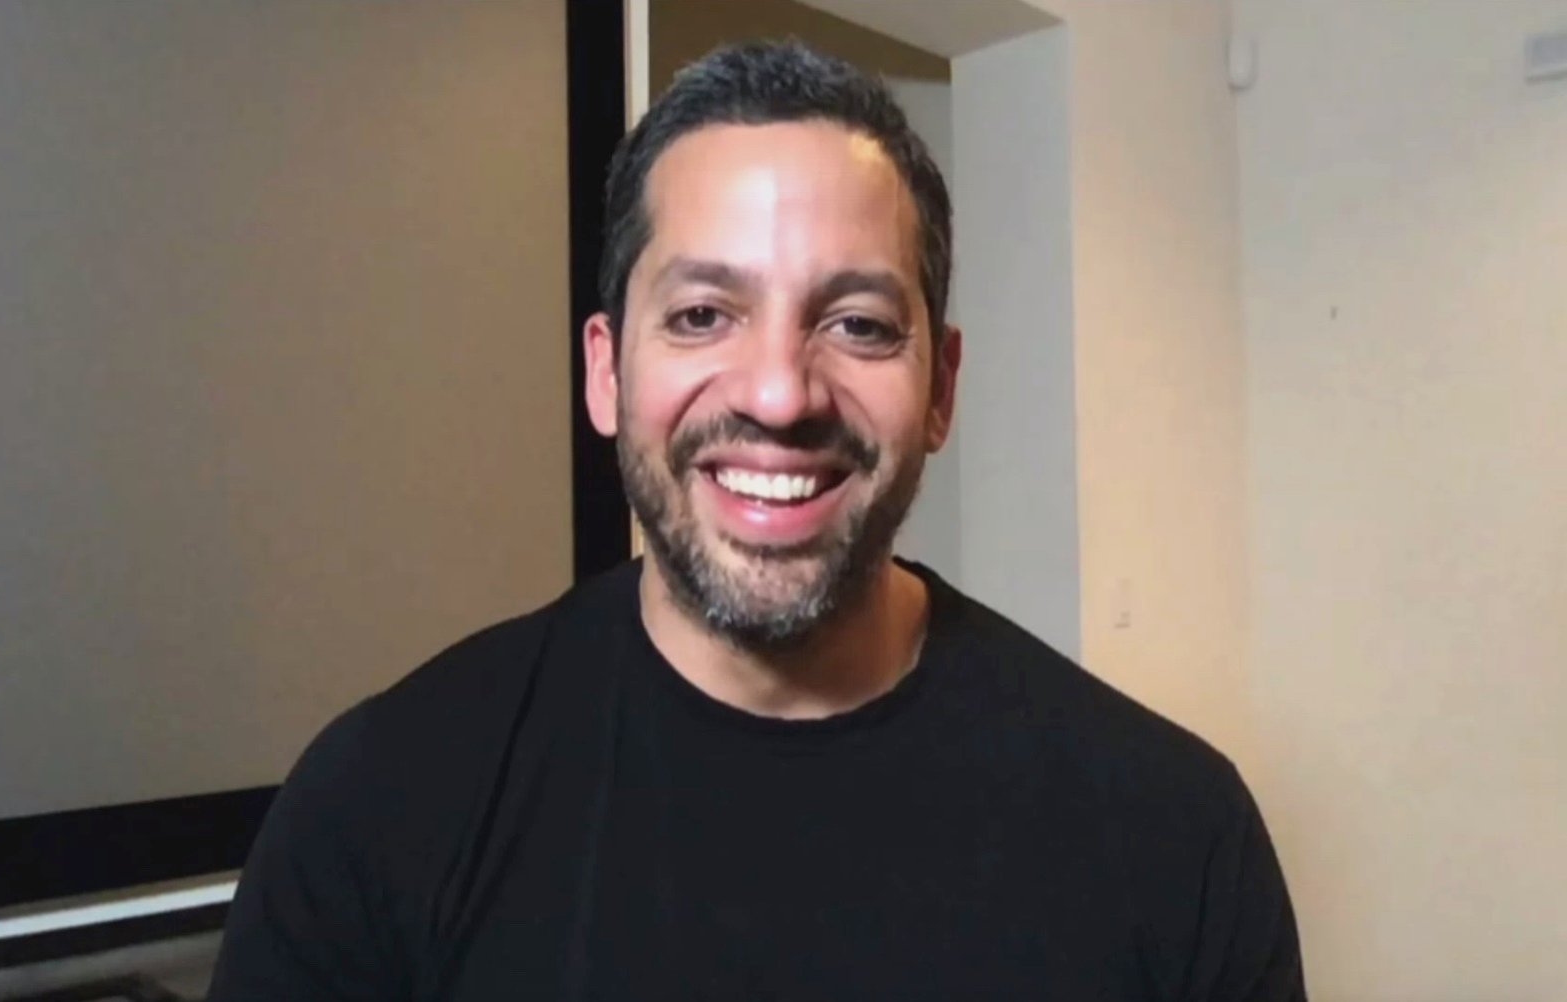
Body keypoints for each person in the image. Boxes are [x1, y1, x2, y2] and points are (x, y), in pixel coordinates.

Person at [208, 40, 1305, 1001]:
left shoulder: (1175, 838)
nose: (780, 394)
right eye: (701, 314)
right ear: (605, 372)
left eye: (858, 324)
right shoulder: (377, 809)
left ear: (941, 388)